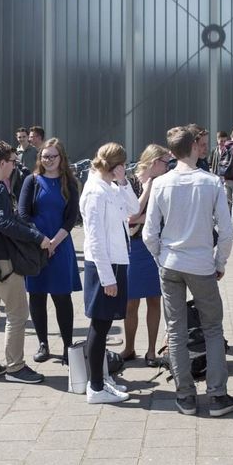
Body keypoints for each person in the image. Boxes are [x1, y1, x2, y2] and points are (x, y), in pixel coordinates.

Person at [143, 126, 233, 417]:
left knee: (175, 330)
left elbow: (150, 233)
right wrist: (219, 262)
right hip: (201, 264)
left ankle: (185, 394)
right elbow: (225, 231)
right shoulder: (211, 182)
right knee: (212, 327)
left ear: (171, 152)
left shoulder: (160, 183)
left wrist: (160, 257)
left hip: (171, 262)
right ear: (195, 147)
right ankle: (217, 394)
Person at [0, 141, 49, 384]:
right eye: (13, 161)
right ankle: (15, 367)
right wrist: (38, 237)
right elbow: (4, 222)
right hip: (0, 259)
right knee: (17, 313)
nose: (15, 166)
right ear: (2, 163)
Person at [79, 143, 141, 403]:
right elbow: (94, 238)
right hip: (104, 264)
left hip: (116, 261)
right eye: (123, 165)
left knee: (103, 326)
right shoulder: (95, 191)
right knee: (100, 325)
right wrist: (107, 278)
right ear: (115, 165)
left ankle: (100, 379)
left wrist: (123, 181)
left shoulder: (111, 187)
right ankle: (95, 386)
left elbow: (134, 209)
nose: (125, 169)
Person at [18, 137, 81, 362]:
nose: (49, 160)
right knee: (37, 296)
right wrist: (42, 240)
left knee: (62, 297)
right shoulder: (31, 181)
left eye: (53, 156)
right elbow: (23, 214)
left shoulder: (69, 183)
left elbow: (71, 218)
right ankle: (43, 343)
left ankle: (67, 345)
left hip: (61, 247)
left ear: (61, 158)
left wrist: (54, 242)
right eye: (45, 156)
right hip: (36, 247)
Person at [120, 144, 170, 366]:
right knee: (130, 302)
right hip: (133, 247)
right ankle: (129, 347)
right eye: (166, 163)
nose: (169, 167)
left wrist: (142, 219)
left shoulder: (165, 183)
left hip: (154, 247)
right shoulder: (128, 180)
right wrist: (149, 188)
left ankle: (151, 351)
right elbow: (129, 216)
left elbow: (163, 218)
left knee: (154, 300)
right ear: (154, 162)